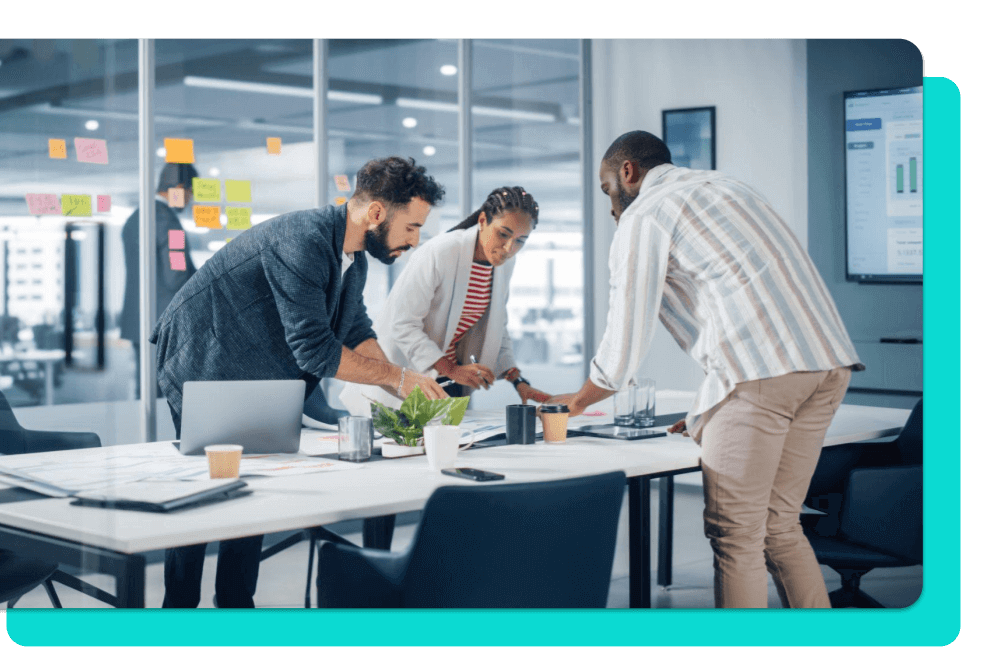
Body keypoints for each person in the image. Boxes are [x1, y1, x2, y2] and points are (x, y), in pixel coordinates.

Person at [547, 131, 864, 608]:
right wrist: (711, 408)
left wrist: (579, 399)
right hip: (826, 363)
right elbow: (741, 300)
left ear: (627, 172)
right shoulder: (729, 188)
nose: (611, 205)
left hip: (762, 374)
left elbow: (626, 329)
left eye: (607, 189)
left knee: (735, 537)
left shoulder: (645, 215)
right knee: (780, 525)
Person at [150, 156, 449, 608]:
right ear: (376, 215)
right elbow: (315, 350)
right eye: (411, 227)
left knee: (253, 483)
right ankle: (178, 612)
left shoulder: (352, 258)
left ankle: (234, 605)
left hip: (256, 369)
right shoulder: (304, 238)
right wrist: (399, 376)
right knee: (205, 485)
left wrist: (402, 387)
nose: (414, 240)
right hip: (202, 358)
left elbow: (354, 332)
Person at [341, 186, 553, 416]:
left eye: (521, 240)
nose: (509, 248)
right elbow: (403, 324)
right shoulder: (441, 252)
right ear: (483, 220)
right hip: (404, 377)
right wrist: (451, 369)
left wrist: (518, 380)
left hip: (446, 382)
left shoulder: (503, 265)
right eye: (503, 233)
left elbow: (497, 327)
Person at [120, 163, 199, 398]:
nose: (190, 201)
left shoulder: (135, 218)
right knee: (169, 393)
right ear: (180, 188)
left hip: (140, 322)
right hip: (167, 324)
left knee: (146, 391)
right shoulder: (167, 221)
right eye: (191, 193)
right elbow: (176, 275)